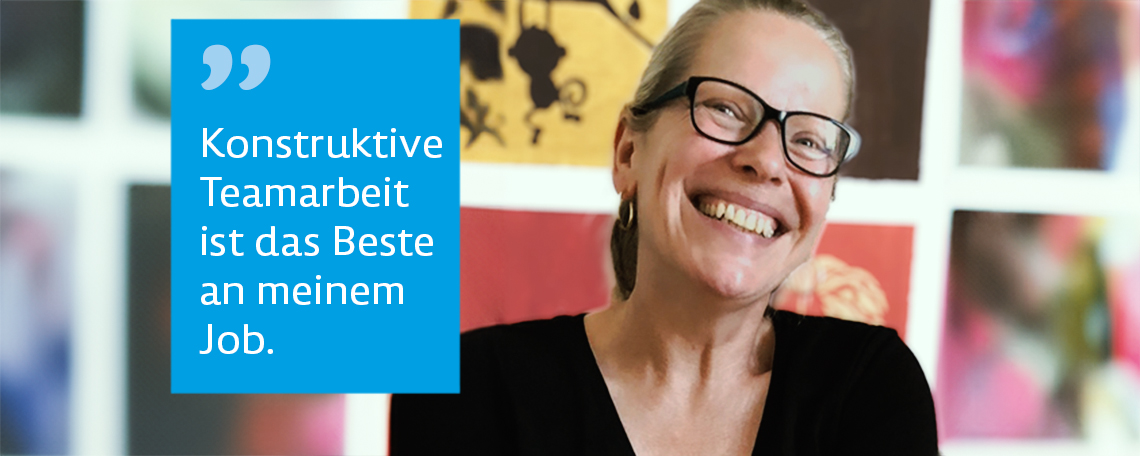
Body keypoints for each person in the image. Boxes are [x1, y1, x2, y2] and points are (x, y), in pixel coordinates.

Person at [390, 0, 938, 454]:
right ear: (628, 152)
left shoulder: (870, 389)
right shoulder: (469, 391)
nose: (767, 160)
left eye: (809, 141)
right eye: (726, 109)